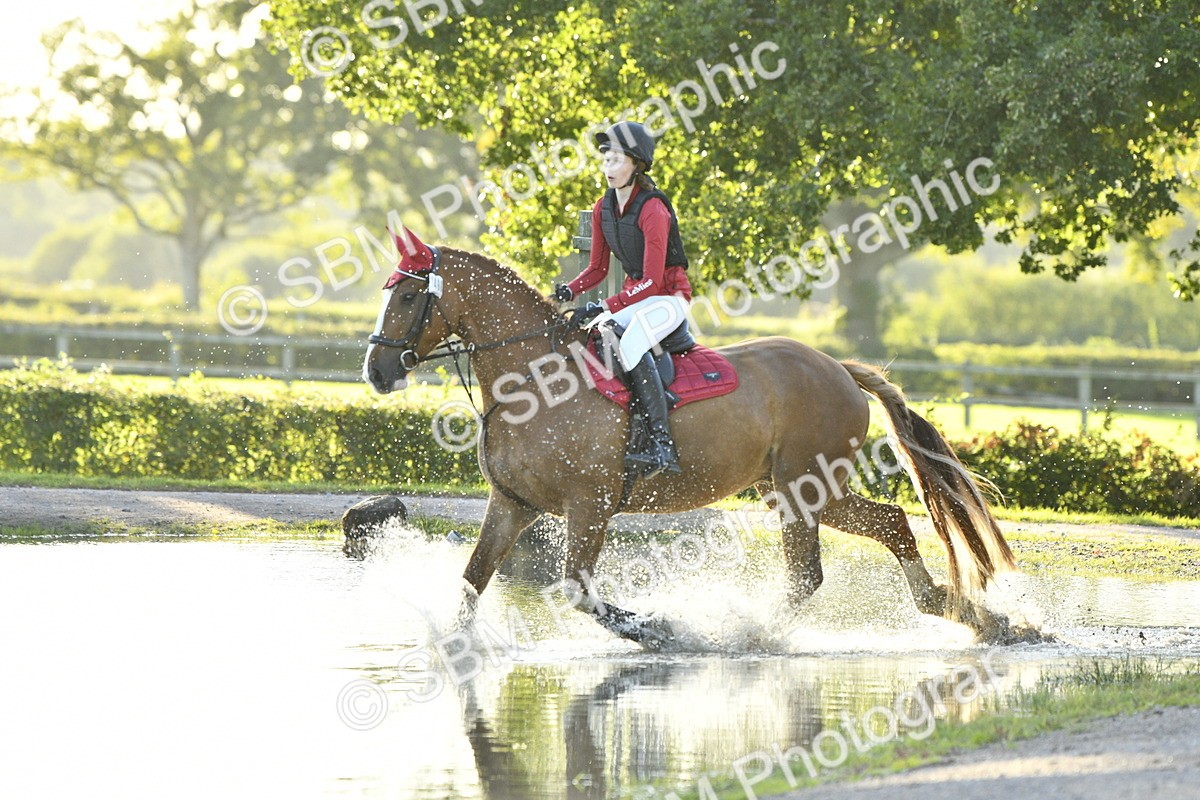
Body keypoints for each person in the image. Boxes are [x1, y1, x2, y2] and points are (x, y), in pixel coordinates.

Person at [553, 120, 693, 479]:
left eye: (617, 160)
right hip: (638, 298)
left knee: (629, 345)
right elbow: (597, 269)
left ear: (637, 164)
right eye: (606, 159)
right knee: (597, 336)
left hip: (669, 299)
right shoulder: (603, 208)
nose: (609, 167)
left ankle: (662, 445)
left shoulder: (653, 210)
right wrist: (570, 290)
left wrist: (602, 306)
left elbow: (652, 281)